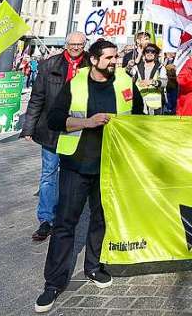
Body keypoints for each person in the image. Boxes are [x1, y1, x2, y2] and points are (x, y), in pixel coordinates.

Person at [35, 39, 144, 313]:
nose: (114, 61)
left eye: (115, 57)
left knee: (101, 219)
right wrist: (87, 122)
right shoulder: (77, 83)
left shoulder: (124, 82)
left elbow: (141, 118)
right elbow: (55, 119)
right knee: (65, 224)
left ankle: (94, 267)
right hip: (77, 164)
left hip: (110, 165)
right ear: (94, 60)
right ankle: (54, 283)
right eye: (109, 58)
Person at [21, 32, 87, 244]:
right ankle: (46, 219)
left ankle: (67, 216)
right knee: (49, 172)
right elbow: (37, 97)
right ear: (66, 44)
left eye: (80, 44)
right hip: (51, 127)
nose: (76, 47)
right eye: (72, 44)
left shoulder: (90, 65)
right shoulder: (49, 65)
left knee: (73, 175)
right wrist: (28, 128)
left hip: (78, 129)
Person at [128, 43, 166, 115]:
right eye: (147, 51)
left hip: (155, 104)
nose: (150, 53)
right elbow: (128, 74)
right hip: (139, 102)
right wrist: (129, 66)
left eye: (153, 51)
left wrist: (152, 82)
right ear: (144, 54)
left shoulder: (160, 67)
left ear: (156, 54)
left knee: (154, 125)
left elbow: (164, 82)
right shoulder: (137, 67)